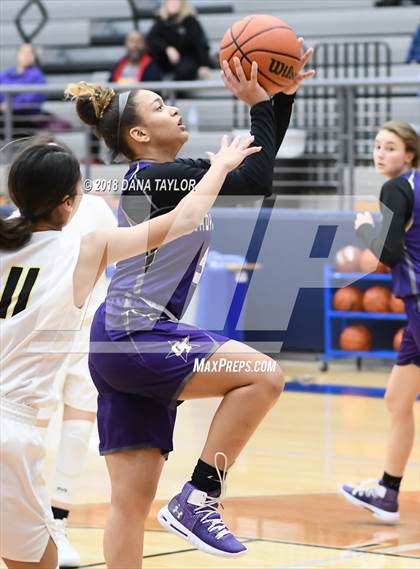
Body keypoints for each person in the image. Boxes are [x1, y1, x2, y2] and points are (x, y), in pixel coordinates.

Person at [66, 44, 314, 567]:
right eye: (159, 106)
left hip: (121, 345)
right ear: (138, 135)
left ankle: (194, 499)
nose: (173, 110)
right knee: (263, 376)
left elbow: (254, 178)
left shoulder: (176, 175)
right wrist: (252, 122)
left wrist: (277, 99)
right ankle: (199, 497)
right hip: (137, 336)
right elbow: (242, 180)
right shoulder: (153, 179)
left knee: (128, 506)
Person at [0, 132, 254, 568]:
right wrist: (220, 167)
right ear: (69, 202)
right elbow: (184, 220)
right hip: (10, 428)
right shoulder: (86, 246)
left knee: (37, 559)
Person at [341, 121, 420, 523]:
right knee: (397, 400)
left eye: (390, 147)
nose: (380, 153)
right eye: (376, 145)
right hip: (414, 306)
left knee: (399, 402)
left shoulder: (395, 189)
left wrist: (366, 227)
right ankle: (387, 492)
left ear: (409, 153)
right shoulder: (416, 184)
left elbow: (387, 254)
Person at [147, 0, 213, 81]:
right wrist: (167, 48)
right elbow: (152, 39)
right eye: (170, 2)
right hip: (166, 61)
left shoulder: (190, 21)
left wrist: (204, 64)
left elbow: (200, 44)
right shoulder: (161, 21)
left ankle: (175, 92)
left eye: (176, 2)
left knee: (185, 70)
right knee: (150, 71)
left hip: (187, 60)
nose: (173, 4)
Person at [0, 44, 47, 138]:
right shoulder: (6, 74)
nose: (26, 55)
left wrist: (10, 104)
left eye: (30, 52)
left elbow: (34, 98)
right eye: (23, 52)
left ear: (34, 57)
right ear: (17, 54)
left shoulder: (38, 76)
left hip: (24, 119)